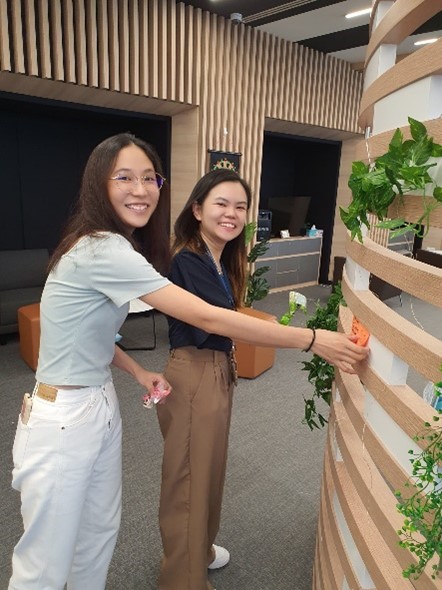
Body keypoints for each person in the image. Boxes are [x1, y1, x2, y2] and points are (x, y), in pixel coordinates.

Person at [9, 133, 368, 590]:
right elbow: (205, 316)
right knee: (45, 559)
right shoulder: (106, 248)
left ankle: (193, 556)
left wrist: (137, 369)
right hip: (63, 414)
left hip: (97, 403)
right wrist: (313, 339)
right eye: (124, 177)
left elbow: (90, 334)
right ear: (98, 184)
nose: (140, 190)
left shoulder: (121, 246)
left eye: (148, 178)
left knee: (97, 535)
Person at [155, 168, 365, 590]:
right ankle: (182, 580)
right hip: (195, 374)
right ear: (196, 209)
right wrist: (311, 339)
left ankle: (201, 551)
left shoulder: (216, 257)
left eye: (240, 206)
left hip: (213, 373)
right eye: (220, 204)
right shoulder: (189, 259)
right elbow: (221, 321)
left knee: (208, 471)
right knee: (190, 482)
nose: (231, 214)